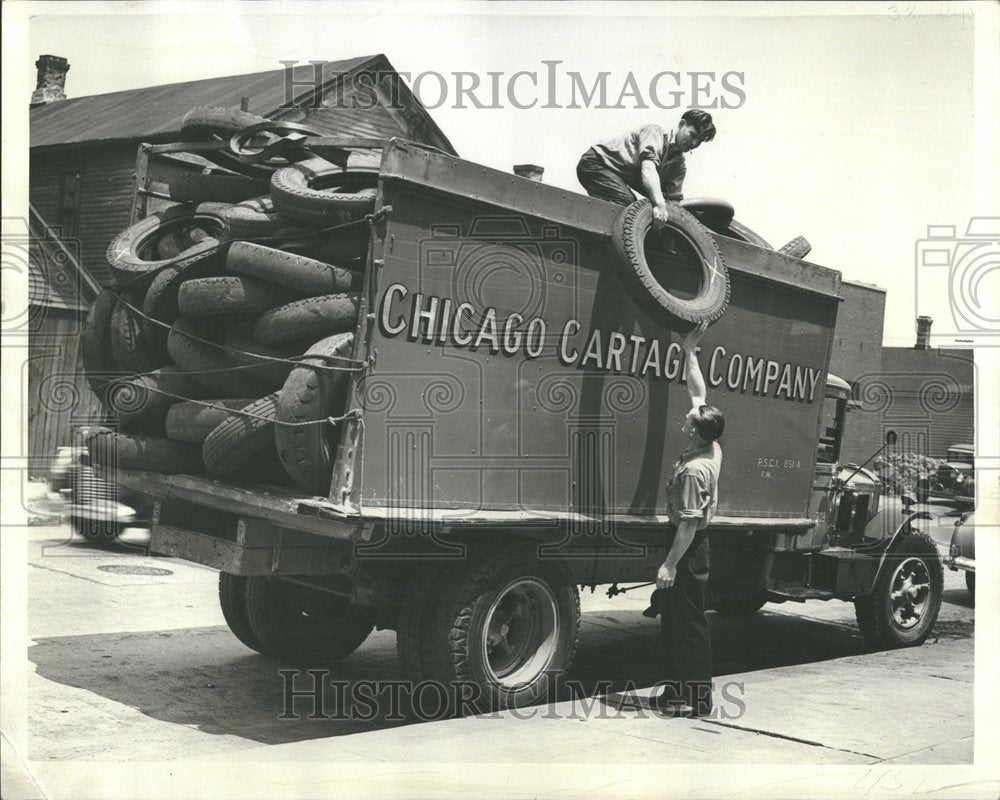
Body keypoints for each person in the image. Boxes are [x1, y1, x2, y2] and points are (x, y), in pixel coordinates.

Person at [652, 321, 724, 717]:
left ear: (696, 433)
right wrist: (689, 350)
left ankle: (698, 699)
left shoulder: (697, 470)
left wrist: (669, 564)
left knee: (689, 623)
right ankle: (676, 691)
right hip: (687, 545)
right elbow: (698, 391)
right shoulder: (711, 445)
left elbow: (689, 524)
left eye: (689, 421)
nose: (685, 418)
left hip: (688, 548)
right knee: (675, 620)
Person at [576, 110, 716, 227]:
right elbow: (648, 169)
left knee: (653, 210)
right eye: (693, 135)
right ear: (681, 124)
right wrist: (660, 205)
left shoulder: (679, 165)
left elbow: (674, 203)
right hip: (596, 163)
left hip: (617, 175)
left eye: (700, 141)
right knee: (627, 203)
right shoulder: (655, 132)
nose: (694, 143)